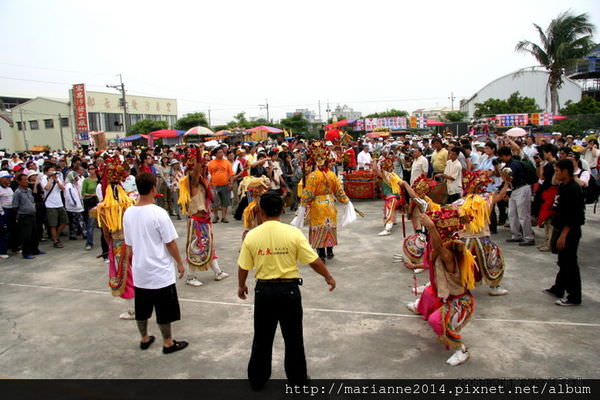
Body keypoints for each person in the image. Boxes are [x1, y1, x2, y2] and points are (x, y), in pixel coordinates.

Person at [237, 192, 336, 390]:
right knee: (293, 338)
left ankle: (257, 379)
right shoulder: (293, 233)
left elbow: (243, 266)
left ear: (260, 210)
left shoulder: (252, 236)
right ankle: (297, 379)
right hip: (289, 291)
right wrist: (328, 277)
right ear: (282, 210)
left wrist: (241, 285)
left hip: (264, 292)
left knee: (262, 338)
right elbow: (314, 261)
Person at [123, 172, 188, 354]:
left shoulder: (128, 212)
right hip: (159, 270)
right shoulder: (159, 213)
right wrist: (180, 263)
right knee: (164, 309)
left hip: (140, 269)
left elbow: (128, 245)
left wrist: (131, 263)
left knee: (142, 307)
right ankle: (168, 342)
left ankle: (144, 338)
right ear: (153, 188)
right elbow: (170, 243)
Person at [404, 209, 476, 366]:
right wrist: (414, 265)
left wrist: (431, 227)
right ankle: (420, 308)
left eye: (437, 229)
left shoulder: (450, 253)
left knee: (436, 320)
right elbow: (433, 264)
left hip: (460, 302)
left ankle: (461, 350)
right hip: (446, 295)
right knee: (429, 293)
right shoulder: (443, 249)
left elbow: (438, 247)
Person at [178, 147, 229, 287]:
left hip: (204, 220)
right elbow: (196, 172)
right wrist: (198, 158)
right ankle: (190, 277)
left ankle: (218, 272)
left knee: (209, 247)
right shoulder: (191, 182)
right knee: (195, 249)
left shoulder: (201, 181)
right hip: (196, 221)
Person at [454, 170, 510, 296]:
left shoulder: (458, 203)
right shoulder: (485, 200)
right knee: (492, 262)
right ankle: (494, 286)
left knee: (461, 264)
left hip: (464, 240)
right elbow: (501, 196)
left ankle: (462, 287)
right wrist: (506, 183)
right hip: (483, 239)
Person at [295, 141, 353, 262]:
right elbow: (339, 192)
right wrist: (346, 201)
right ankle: (330, 251)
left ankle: (321, 254)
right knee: (329, 226)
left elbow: (308, 194)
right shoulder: (332, 175)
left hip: (317, 206)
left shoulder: (312, 176)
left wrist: (303, 205)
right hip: (330, 204)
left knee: (319, 227)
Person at [96, 157, 136, 319]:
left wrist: (109, 245)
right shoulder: (130, 202)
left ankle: (133, 310)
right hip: (133, 242)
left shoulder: (105, 207)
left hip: (118, 244)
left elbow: (106, 233)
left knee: (125, 276)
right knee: (136, 273)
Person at [544, 159, 585, 306]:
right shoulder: (564, 186)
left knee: (570, 263)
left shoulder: (573, 189)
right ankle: (559, 288)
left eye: (557, 171)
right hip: (561, 228)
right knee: (563, 261)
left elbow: (574, 216)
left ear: (566, 172)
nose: (556, 174)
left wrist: (563, 235)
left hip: (569, 231)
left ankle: (574, 296)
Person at [498, 146, 535, 246]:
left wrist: (504, 189)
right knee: (512, 214)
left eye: (501, 156)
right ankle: (516, 235)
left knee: (523, 215)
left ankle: (528, 237)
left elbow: (509, 178)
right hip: (515, 189)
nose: (501, 159)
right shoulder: (509, 164)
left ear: (506, 155)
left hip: (522, 188)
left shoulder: (514, 164)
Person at [12, 173, 43, 259]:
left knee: (34, 234)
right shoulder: (17, 192)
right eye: (24, 180)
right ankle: (26, 253)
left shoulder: (29, 190)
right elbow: (15, 206)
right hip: (24, 216)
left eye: (27, 180)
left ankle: (35, 250)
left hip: (32, 214)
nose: (26, 182)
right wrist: (20, 213)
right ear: (19, 182)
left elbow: (32, 200)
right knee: (26, 235)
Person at [374, 154, 406, 236]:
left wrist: (374, 161)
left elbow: (375, 170)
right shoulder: (394, 175)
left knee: (389, 213)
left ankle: (387, 229)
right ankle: (394, 221)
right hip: (396, 197)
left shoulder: (387, 176)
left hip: (392, 198)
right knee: (391, 211)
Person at [40, 165, 68, 249]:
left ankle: (55, 236)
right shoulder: (44, 178)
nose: (53, 172)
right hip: (50, 204)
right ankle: (56, 241)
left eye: (53, 170)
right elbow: (47, 188)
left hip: (59, 203)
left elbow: (63, 188)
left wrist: (57, 180)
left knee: (64, 221)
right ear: (46, 172)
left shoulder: (57, 178)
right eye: (50, 170)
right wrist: (51, 179)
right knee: (53, 224)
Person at [207, 147, 234, 223]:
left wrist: (231, 183)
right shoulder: (211, 163)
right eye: (219, 152)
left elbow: (231, 174)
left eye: (222, 152)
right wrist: (210, 185)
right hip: (214, 186)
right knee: (215, 202)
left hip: (225, 184)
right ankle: (215, 216)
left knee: (225, 202)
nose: (221, 154)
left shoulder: (227, 162)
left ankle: (224, 217)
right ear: (215, 154)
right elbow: (208, 175)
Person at [82, 164, 99, 251]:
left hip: (100, 202)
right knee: (90, 224)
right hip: (91, 203)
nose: (92, 170)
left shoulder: (99, 179)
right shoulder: (86, 180)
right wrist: (92, 194)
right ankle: (89, 242)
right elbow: (83, 193)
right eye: (90, 169)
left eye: (93, 168)